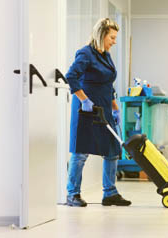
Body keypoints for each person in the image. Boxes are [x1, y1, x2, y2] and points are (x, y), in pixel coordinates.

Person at [64, 18, 131, 207]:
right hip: (87, 109)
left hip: (104, 109)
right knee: (81, 152)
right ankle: (72, 194)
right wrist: (84, 100)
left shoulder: (106, 55)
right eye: (112, 37)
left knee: (112, 151)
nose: (114, 41)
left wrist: (116, 108)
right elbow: (71, 76)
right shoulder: (86, 53)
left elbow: (108, 84)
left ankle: (110, 193)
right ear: (101, 35)